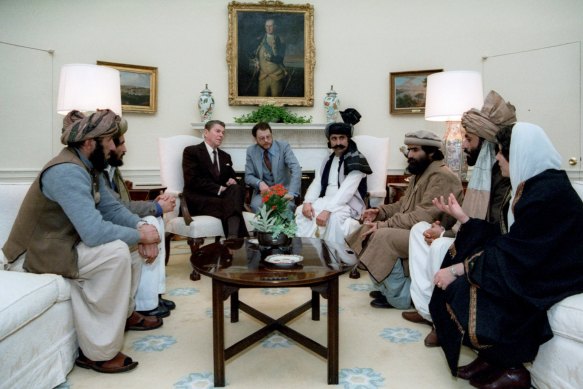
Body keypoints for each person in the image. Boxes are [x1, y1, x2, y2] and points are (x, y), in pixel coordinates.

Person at [2, 109, 163, 374]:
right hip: (32, 255)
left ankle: (123, 314)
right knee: (116, 252)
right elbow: (94, 233)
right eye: (110, 140)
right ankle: (98, 353)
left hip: (62, 245)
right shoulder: (66, 171)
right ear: (90, 143)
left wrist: (142, 228)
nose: (115, 145)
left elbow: (112, 210)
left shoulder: (89, 167)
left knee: (130, 247)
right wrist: (139, 236)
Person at [429, 123, 583, 389]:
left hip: (556, 273)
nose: (497, 158)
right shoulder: (532, 184)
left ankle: (512, 367)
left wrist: (458, 271)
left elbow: (519, 252)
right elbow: (509, 240)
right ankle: (492, 357)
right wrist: (464, 219)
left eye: (502, 152)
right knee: (465, 258)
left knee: (466, 286)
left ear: (520, 154)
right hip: (534, 264)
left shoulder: (548, 193)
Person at [404, 91, 515, 346]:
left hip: (486, 246)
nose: (464, 144)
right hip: (467, 234)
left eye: (469, 138)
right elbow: (465, 215)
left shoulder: (503, 179)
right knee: (419, 230)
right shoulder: (482, 174)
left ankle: (441, 319)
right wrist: (442, 226)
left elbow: (492, 229)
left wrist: (445, 234)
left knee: (440, 244)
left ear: (486, 142)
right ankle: (427, 310)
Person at [346, 130, 463, 310]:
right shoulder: (421, 173)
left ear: (431, 152)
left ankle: (401, 297)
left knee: (382, 235)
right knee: (366, 229)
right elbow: (403, 205)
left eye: (415, 150)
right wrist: (379, 212)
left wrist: (383, 225)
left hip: (431, 236)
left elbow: (423, 216)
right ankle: (385, 287)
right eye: (409, 150)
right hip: (413, 229)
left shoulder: (441, 176)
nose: (409, 155)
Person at [103, 118, 177, 318]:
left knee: (157, 220)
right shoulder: (98, 172)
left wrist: (156, 204)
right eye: (121, 143)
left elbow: (122, 203)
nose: (125, 148)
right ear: (107, 144)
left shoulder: (112, 168)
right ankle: (145, 303)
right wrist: (156, 206)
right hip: (107, 223)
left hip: (116, 217)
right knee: (152, 221)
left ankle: (156, 293)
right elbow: (116, 207)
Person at [295, 122, 372, 245]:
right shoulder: (328, 159)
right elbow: (318, 182)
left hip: (348, 204)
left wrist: (327, 210)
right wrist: (307, 202)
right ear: (329, 141)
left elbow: (347, 191)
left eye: (342, 138)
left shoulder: (356, 160)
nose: (338, 143)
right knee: (301, 211)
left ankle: (333, 257)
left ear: (348, 139)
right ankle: (308, 251)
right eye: (334, 139)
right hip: (326, 200)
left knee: (334, 217)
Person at [182, 120, 248, 238]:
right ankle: (237, 240)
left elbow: (233, 178)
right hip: (199, 199)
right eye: (218, 131)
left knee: (236, 188)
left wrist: (231, 181)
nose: (221, 135)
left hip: (219, 199)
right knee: (233, 204)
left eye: (223, 132)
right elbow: (192, 180)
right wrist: (219, 188)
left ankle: (232, 238)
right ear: (206, 132)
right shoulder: (191, 152)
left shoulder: (225, 156)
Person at [244, 122, 301, 213]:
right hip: (263, 194)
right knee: (256, 206)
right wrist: (259, 183)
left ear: (271, 134)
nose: (266, 140)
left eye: (268, 136)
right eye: (262, 138)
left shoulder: (283, 146)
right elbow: (248, 176)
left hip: (284, 192)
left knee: (286, 208)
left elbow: (296, 168)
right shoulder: (251, 151)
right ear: (255, 139)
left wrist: (292, 192)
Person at [251, 18, 287, 97]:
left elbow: (280, 58)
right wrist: (256, 60)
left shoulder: (280, 41)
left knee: (277, 101)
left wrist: (270, 58)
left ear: (275, 27)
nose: (268, 28)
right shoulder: (260, 40)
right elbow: (252, 53)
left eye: (271, 26)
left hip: (276, 77)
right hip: (262, 76)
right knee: (261, 100)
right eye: (267, 26)